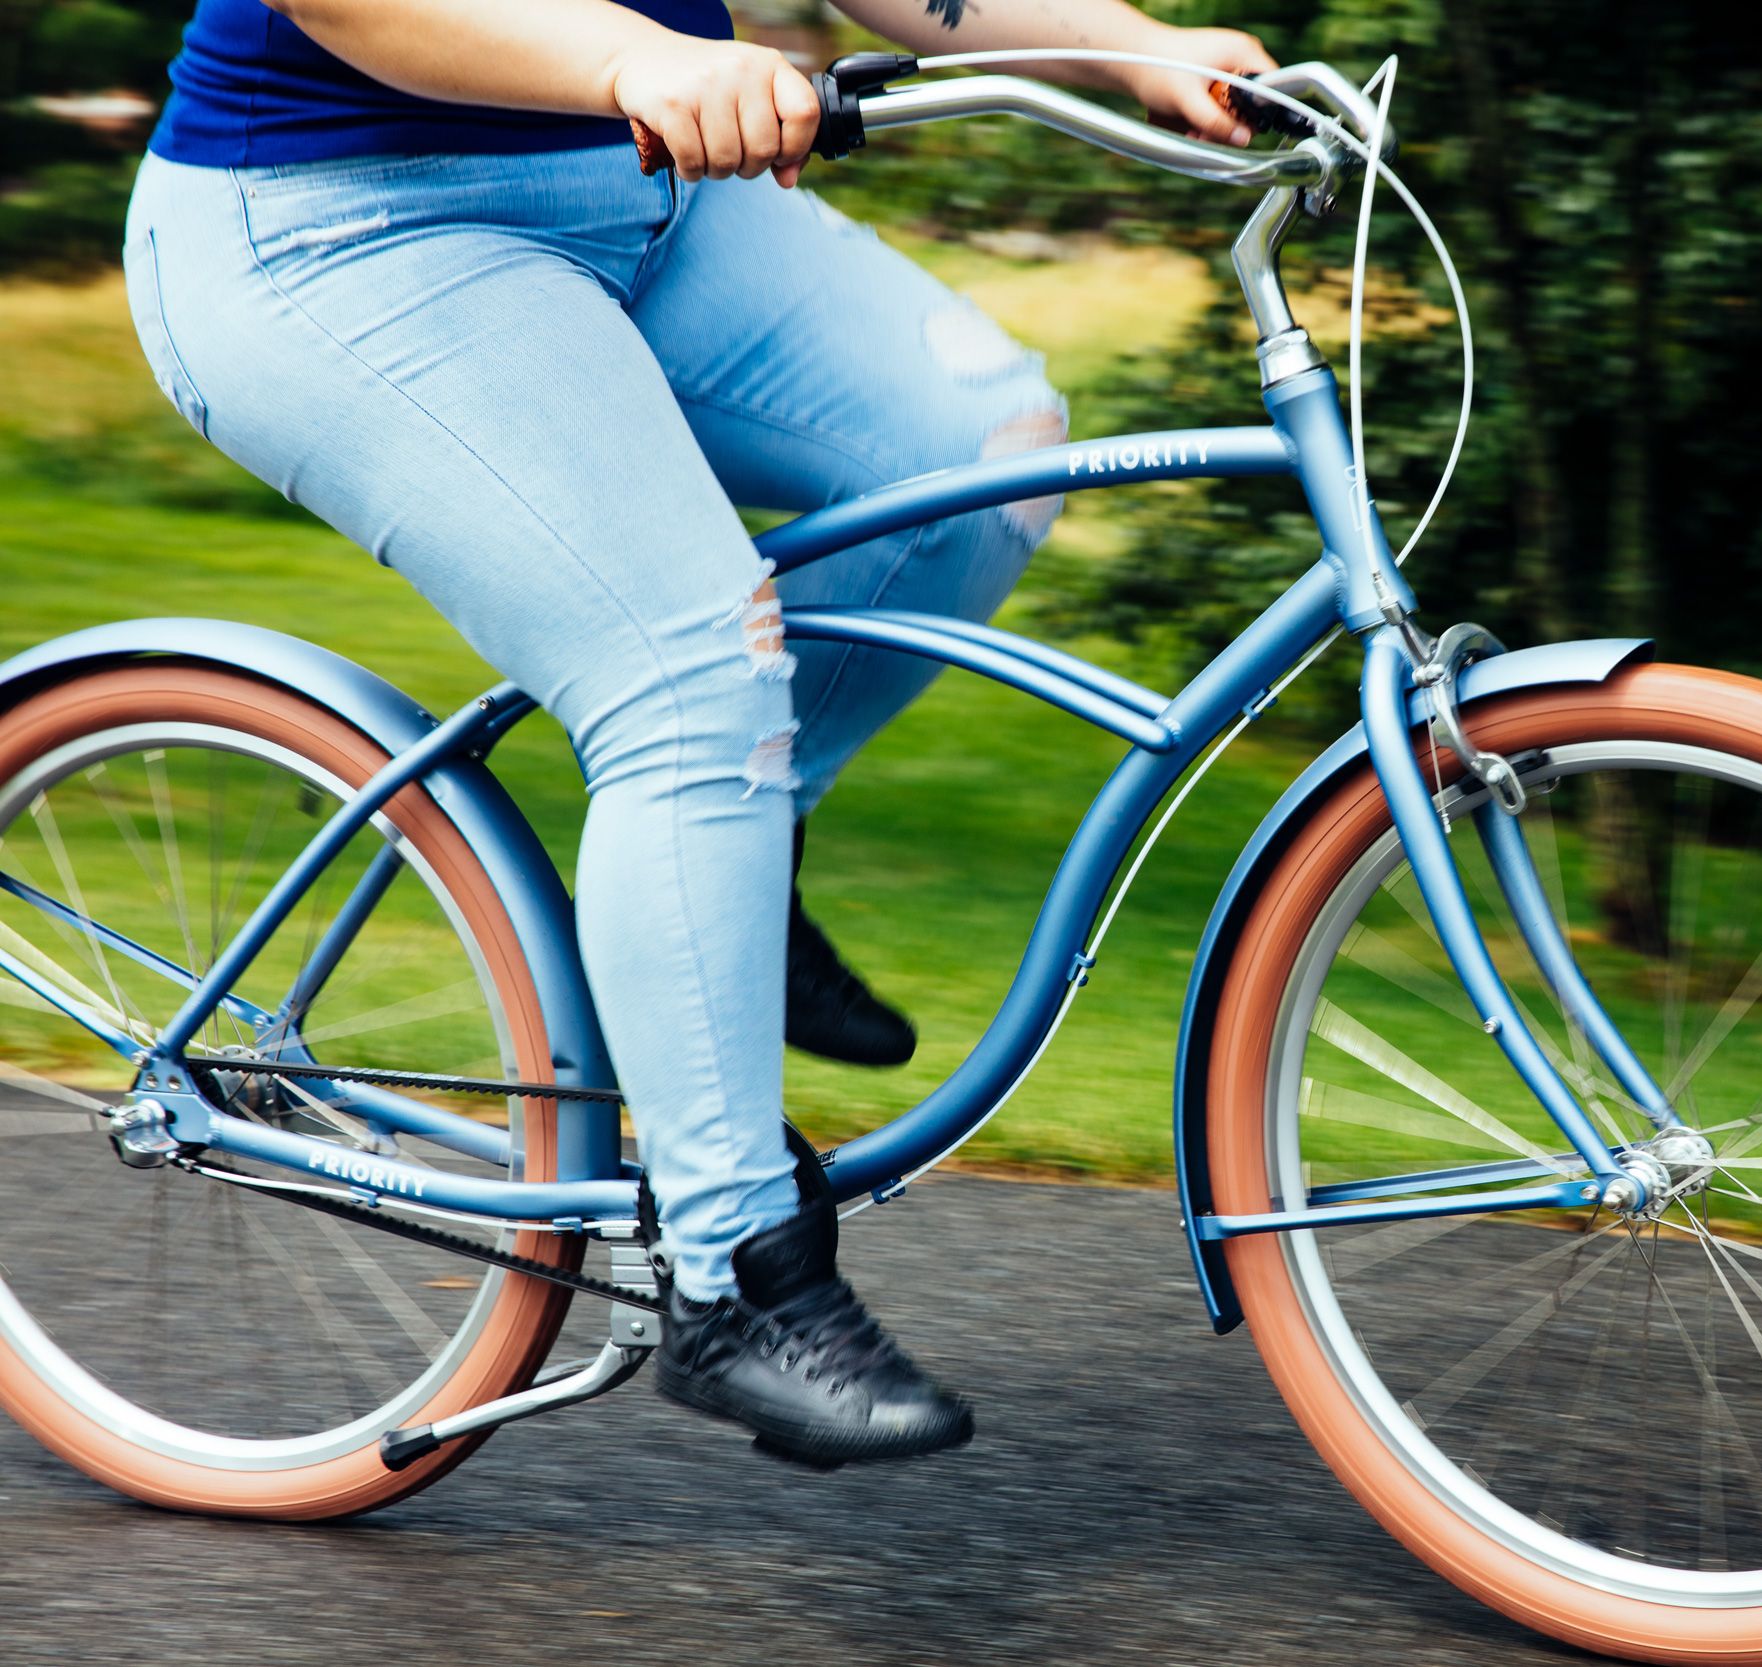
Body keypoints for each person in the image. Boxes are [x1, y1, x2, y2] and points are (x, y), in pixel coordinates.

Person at [125, 0, 1275, 1467]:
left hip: (643, 197)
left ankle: (723, 879)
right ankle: (735, 1275)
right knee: (687, 673)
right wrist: (638, 60)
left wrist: (1126, 38)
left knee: (983, 447)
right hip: (334, 225)